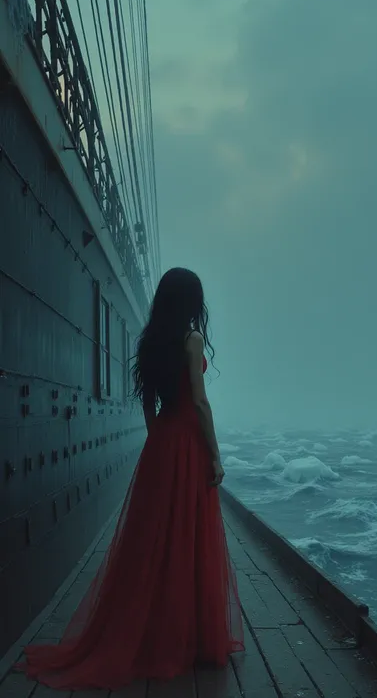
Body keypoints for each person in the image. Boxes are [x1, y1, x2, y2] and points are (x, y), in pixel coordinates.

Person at [16, 267, 245, 689]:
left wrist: (157, 434)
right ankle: (189, 636)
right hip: (189, 445)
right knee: (188, 536)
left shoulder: (152, 341)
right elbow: (199, 401)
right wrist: (215, 455)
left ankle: (151, 632)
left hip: (161, 442)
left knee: (153, 539)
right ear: (191, 301)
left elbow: (149, 399)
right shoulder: (191, 340)